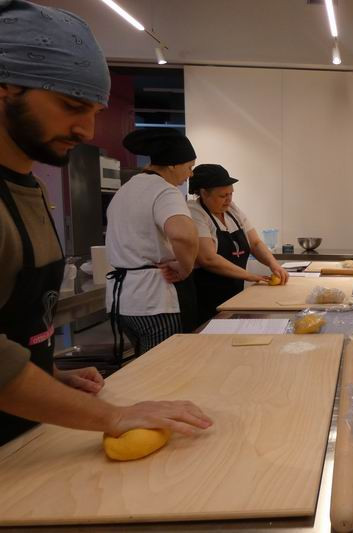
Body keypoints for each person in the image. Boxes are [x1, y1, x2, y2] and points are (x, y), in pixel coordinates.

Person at [0, 0, 211, 446]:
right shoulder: (162, 191)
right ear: (6, 87)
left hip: (26, 437)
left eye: (94, 111)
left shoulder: (29, 188)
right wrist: (111, 416)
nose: (87, 131)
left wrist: (48, 374)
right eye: (71, 105)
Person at [105, 128, 200, 357]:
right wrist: (185, 268)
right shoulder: (165, 191)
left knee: (144, 367)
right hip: (155, 301)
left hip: (121, 302)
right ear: (172, 165)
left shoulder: (125, 189)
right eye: (189, 167)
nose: (190, 174)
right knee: (166, 369)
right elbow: (183, 235)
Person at [188, 164, 289, 325]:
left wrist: (273, 264)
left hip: (234, 297)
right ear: (203, 193)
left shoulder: (232, 210)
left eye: (231, 194)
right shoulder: (194, 212)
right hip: (206, 299)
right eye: (222, 195)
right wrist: (250, 276)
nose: (228, 199)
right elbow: (208, 259)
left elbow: (255, 243)